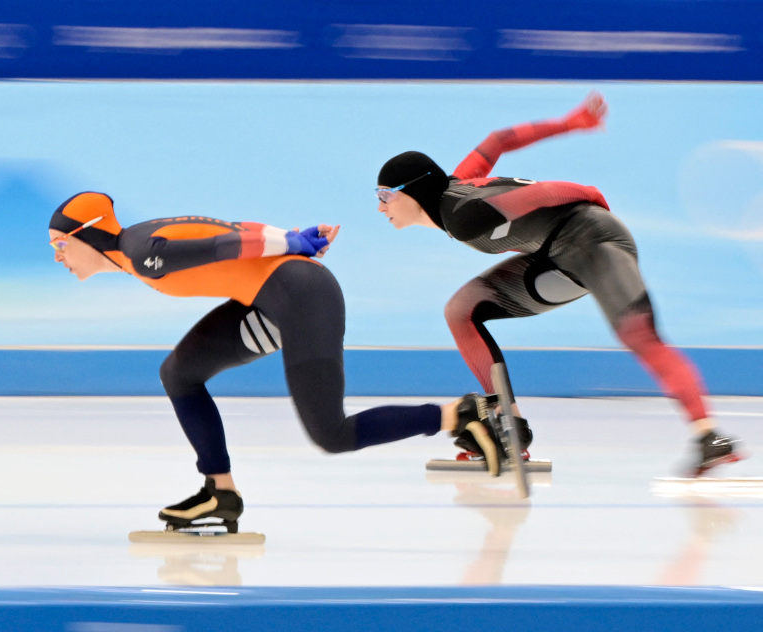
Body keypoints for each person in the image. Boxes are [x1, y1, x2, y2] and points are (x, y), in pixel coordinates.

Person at [48, 191, 500, 532]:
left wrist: (292, 241)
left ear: (84, 234)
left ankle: (460, 415)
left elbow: (227, 243)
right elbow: (226, 229)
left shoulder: (143, 252)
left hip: (302, 297)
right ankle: (219, 493)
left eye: (60, 245)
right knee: (179, 374)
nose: (58, 257)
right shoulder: (138, 245)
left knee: (332, 434)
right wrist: (292, 240)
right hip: (271, 299)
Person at [375, 91, 743, 477]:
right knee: (461, 310)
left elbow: (542, 194)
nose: (381, 207)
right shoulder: (454, 190)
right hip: (553, 254)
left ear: (412, 192)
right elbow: (498, 140)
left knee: (640, 335)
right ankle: (509, 425)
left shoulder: (466, 214)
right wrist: (573, 122)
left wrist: (590, 194)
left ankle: (708, 436)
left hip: (595, 241)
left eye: (384, 195)